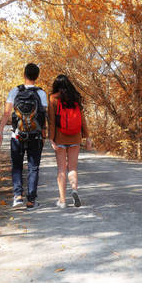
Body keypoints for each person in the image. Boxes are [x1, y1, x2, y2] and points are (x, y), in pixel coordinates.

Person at [0, 63, 48, 210]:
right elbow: (42, 117)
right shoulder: (41, 94)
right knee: (33, 168)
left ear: (24, 75)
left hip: (17, 135)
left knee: (17, 166)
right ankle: (31, 201)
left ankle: (17, 197)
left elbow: (7, 114)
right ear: (37, 77)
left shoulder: (14, 91)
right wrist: (44, 136)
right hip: (35, 136)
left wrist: (0, 132)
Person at [48, 75, 92, 209]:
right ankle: (74, 190)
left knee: (61, 169)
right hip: (75, 137)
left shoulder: (53, 99)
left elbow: (51, 121)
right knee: (72, 168)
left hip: (60, 138)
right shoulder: (75, 98)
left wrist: (51, 139)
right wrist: (87, 136)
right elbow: (82, 119)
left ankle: (62, 201)